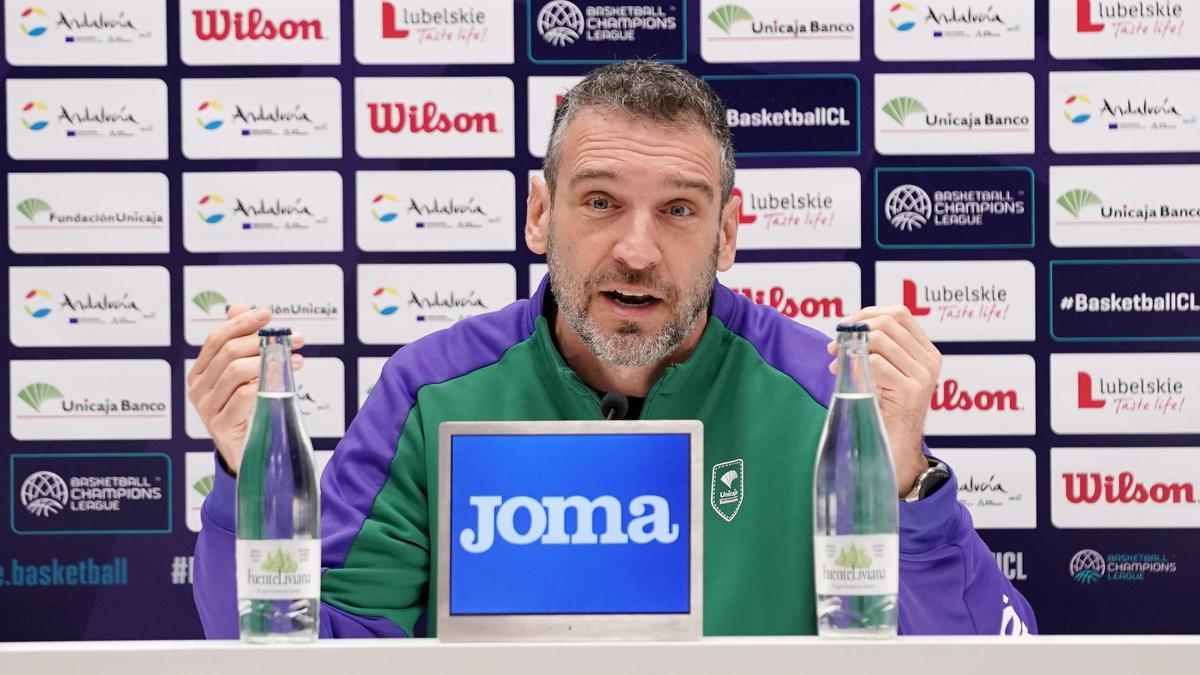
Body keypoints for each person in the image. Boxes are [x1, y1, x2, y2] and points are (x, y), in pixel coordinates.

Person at [191, 60, 1036, 638]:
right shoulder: (432, 392)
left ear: (728, 233)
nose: (636, 249)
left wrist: (904, 488)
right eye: (599, 201)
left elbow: (995, 653)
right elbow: (314, 649)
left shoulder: (827, 404)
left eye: (678, 209)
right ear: (537, 216)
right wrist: (244, 488)